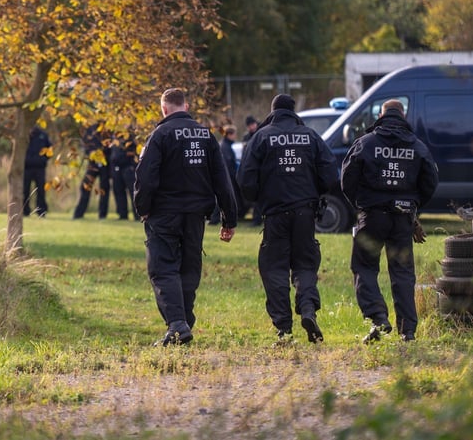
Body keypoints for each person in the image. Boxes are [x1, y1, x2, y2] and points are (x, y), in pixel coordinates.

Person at [134, 88, 238, 346]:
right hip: (196, 215)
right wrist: (229, 218)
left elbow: (145, 177)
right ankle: (184, 323)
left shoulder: (160, 135)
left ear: (164, 109)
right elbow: (222, 180)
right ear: (186, 106)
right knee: (189, 268)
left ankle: (178, 324)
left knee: (163, 268)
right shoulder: (206, 136)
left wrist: (142, 208)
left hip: (164, 214)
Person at [237, 94, 338, 343]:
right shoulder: (311, 136)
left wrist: (260, 198)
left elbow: (245, 180)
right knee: (305, 264)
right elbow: (330, 175)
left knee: (274, 268)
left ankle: (284, 328)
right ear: (293, 111)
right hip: (306, 212)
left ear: (272, 111)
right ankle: (308, 309)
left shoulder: (261, 137)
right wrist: (313, 191)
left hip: (275, 213)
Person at [341, 99, 439, 343]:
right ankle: (408, 331)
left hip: (372, 216)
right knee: (402, 273)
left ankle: (378, 317)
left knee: (364, 267)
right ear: (403, 115)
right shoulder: (417, 146)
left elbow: (346, 178)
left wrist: (361, 204)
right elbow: (430, 181)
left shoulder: (365, 143)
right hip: (402, 218)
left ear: (381, 115)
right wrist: (413, 207)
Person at [72, 125, 110, 219]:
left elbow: (110, 147)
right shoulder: (90, 130)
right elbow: (85, 146)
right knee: (85, 187)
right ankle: (79, 213)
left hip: (105, 164)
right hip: (92, 164)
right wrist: (91, 154)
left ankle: (102, 214)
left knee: (104, 188)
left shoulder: (108, 129)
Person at [209, 125, 241, 225]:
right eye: (234, 134)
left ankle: (215, 219)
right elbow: (227, 164)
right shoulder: (225, 147)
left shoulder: (225, 145)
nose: (235, 136)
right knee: (224, 198)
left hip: (228, 176)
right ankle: (215, 219)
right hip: (228, 177)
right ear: (229, 135)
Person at [23, 125, 51, 217]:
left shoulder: (43, 135)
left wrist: (44, 159)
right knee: (25, 190)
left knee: (41, 191)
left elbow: (50, 150)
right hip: (26, 168)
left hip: (40, 168)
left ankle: (41, 211)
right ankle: (25, 211)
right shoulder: (24, 135)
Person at [109, 133, 138, 220]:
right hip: (116, 167)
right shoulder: (114, 136)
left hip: (128, 167)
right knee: (119, 191)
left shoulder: (129, 135)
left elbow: (134, 151)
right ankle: (123, 214)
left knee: (133, 192)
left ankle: (137, 215)